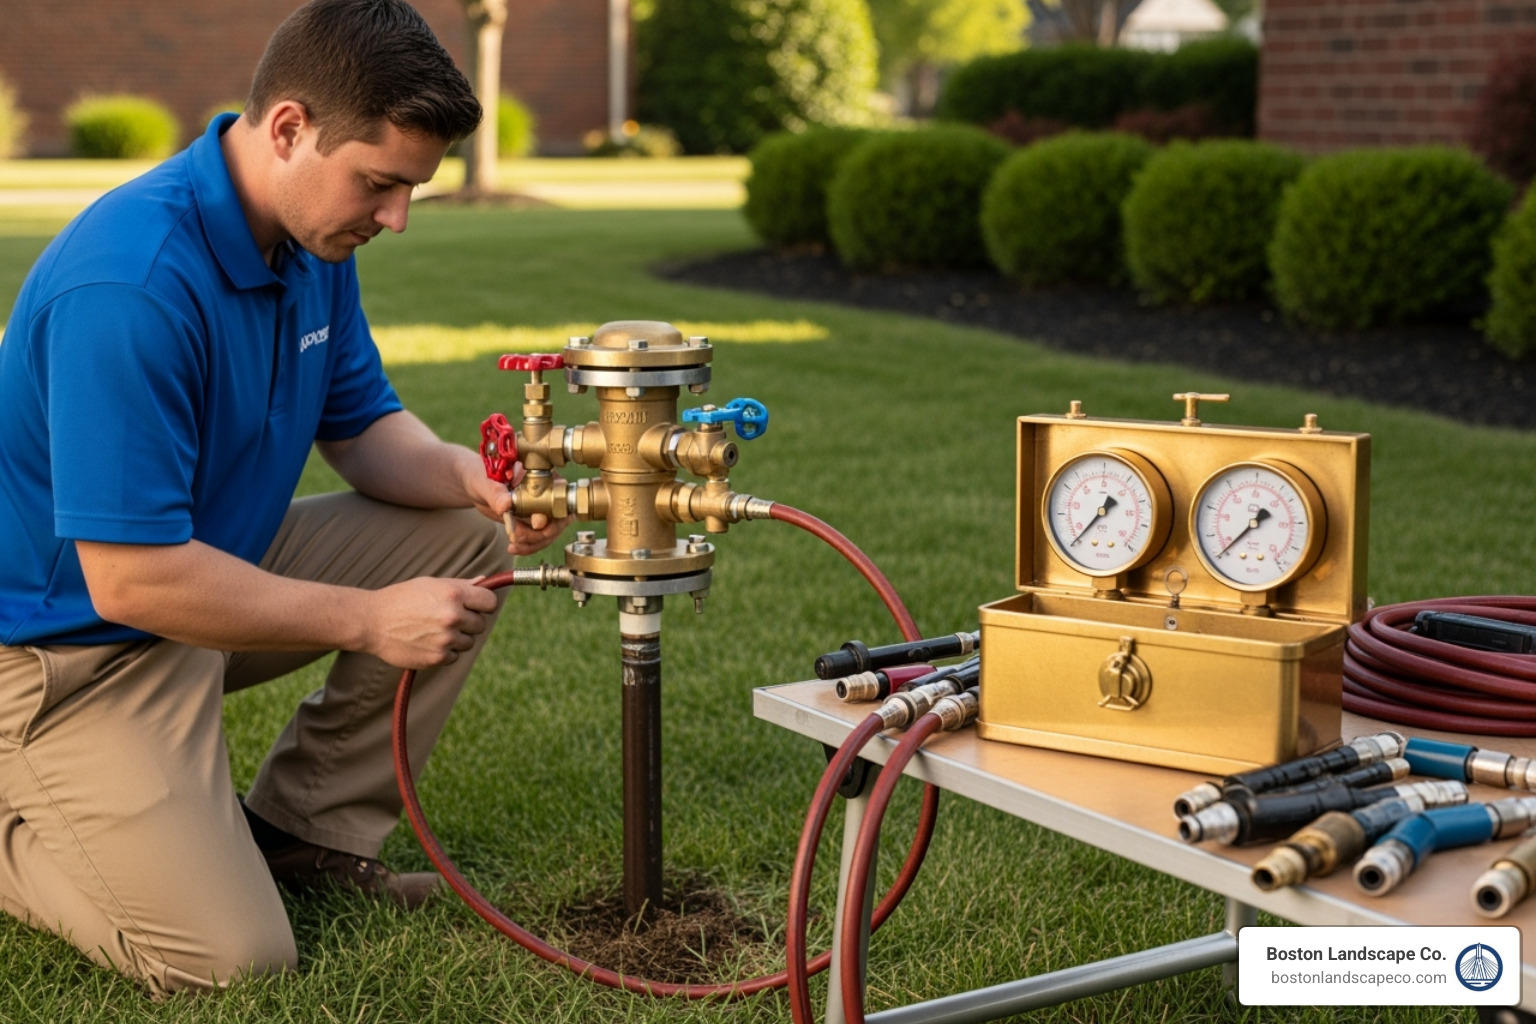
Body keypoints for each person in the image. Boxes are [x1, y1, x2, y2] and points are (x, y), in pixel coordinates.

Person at [0, 0, 567, 996]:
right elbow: (130, 579)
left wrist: (470, 482)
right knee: (229, 960)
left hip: (196, 591)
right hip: (65, 657)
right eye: (380, 184)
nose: (393, 218)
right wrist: (365, 616)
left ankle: (305, 833)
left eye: (412, 191)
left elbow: (365, 431)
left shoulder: (311, 243)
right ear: (291, 128)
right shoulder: (129, 284)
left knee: (458, 536)